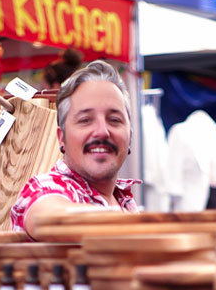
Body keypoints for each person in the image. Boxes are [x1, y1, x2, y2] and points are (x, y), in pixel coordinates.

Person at [10, 60, 140, 238]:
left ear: (130, 135)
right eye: (85, 120)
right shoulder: (46, 188)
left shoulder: (124, 201)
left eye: (114, 120)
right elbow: (48, 218)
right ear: (61, 138)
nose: (102, 131)